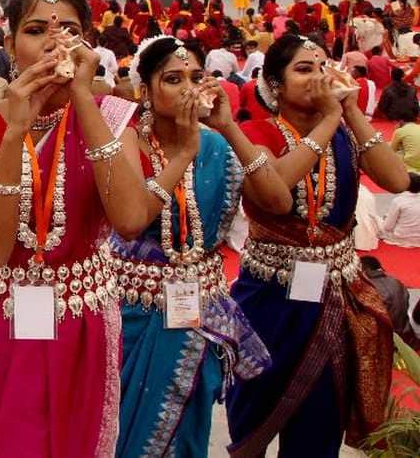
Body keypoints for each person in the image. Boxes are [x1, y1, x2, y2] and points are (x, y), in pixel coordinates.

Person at [0, 0, 161, 457]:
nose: (54, 40)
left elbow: (130, 218)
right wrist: (15, 130)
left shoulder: (110, 114)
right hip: (0, 320)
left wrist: (84, 100)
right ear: (9, 45)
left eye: (69, 28)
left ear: (88, 42)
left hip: (80, 322)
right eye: (37, 29)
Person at [227, 33, 410, 457]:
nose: (317, 78)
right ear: (274, 84)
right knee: (252, 415)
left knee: (319, 423)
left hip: (334, 298)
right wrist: (329, 121)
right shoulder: (255, 134)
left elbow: (397, 180)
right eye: (303, 69)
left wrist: (348, 111)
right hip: (268, 300)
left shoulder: (346, 133)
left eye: (322, 67)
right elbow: (278, 196)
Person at [112, 36, 292, 457]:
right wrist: (185, 151)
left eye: (196, 77)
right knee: (124, 426)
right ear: (146, 90)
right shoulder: (124, 142)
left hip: (197, 311)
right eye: (173, 79)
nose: (188, 88)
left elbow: (278, 201)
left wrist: (228, 127)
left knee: (188, 429)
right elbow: (133, 220)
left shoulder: (218, 145)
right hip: (131, 313)